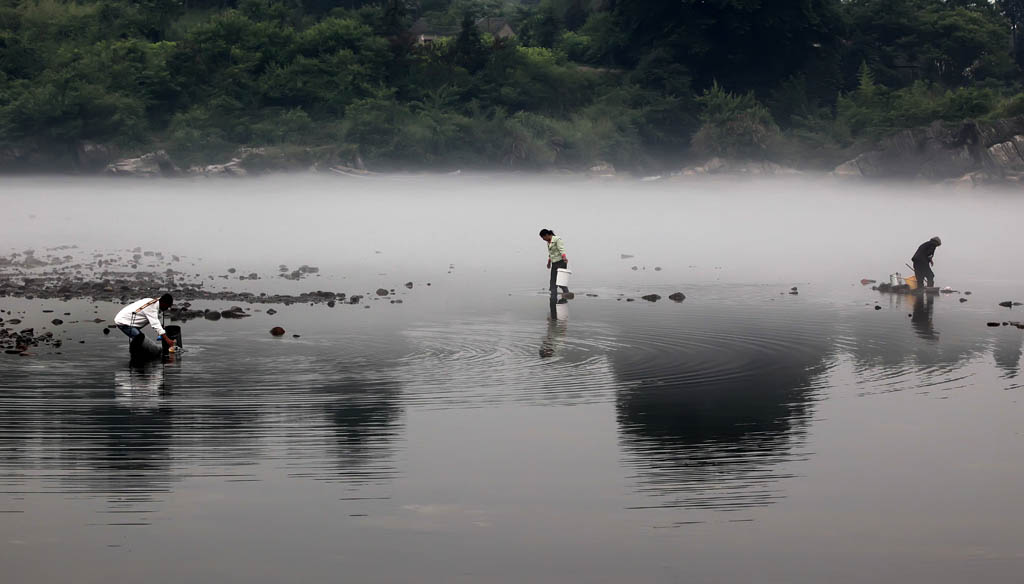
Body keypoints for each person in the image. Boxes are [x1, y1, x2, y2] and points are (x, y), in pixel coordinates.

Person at [539, 229, 569, 297]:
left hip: (561, 262)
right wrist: (549, 262)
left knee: (561, 282)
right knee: (553, 282)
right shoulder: (548, 242)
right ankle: (553, 297)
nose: (543, 239)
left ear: (546, 235)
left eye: (543, 238)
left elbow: (561, 249)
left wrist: (564, 257)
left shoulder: (557, 239)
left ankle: (567, 295)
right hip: (554, 263)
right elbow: (550, 254)